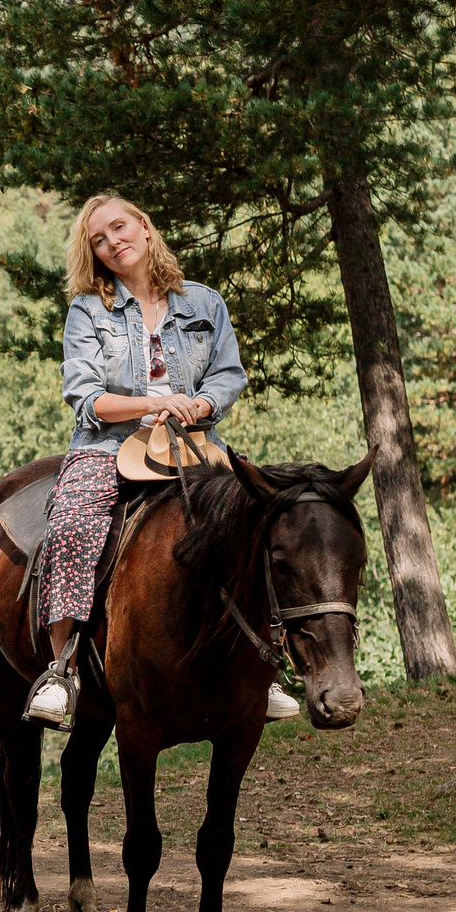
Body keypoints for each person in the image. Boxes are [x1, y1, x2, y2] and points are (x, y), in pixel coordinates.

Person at [25, 193, 299, 727]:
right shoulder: (87, 310)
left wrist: (199, 404)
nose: (112, 242)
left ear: (145, 228)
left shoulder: (204, 303)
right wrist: (154, 404)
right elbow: (85, 396)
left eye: (119, 227)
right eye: (98, 240)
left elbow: (228, 374)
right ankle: (61, 671)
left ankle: (265, 668)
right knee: (73, 523)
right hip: (108, 444)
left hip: (193, 443)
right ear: (93, 254)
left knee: (261, 518)